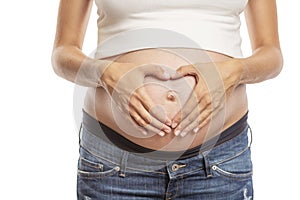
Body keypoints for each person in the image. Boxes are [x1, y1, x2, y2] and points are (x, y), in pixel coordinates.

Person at [51, 0, 283, 199]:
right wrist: (107, 74)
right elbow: (62, 53)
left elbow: (271, 54)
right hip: (114, 163)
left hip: (219, 161)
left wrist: (234, 71)